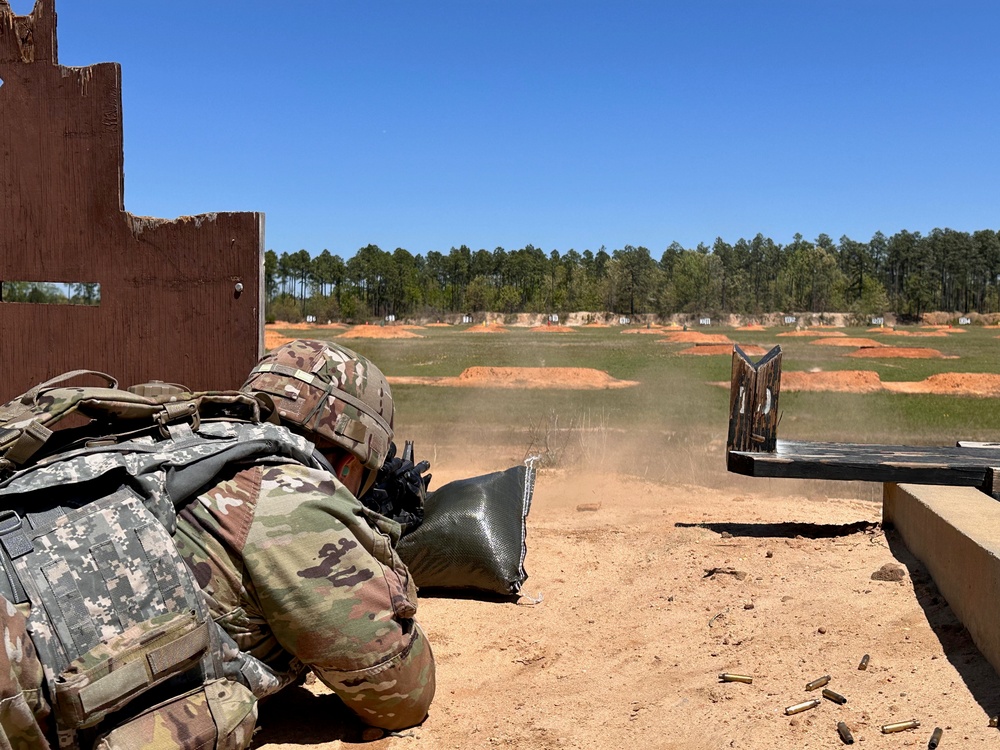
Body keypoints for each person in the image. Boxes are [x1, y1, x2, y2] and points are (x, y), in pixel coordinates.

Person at [171, 338, 436, 731]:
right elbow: (401, 693)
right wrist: (371, 537)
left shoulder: (177, 445)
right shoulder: (288, 502)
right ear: (348, 465)